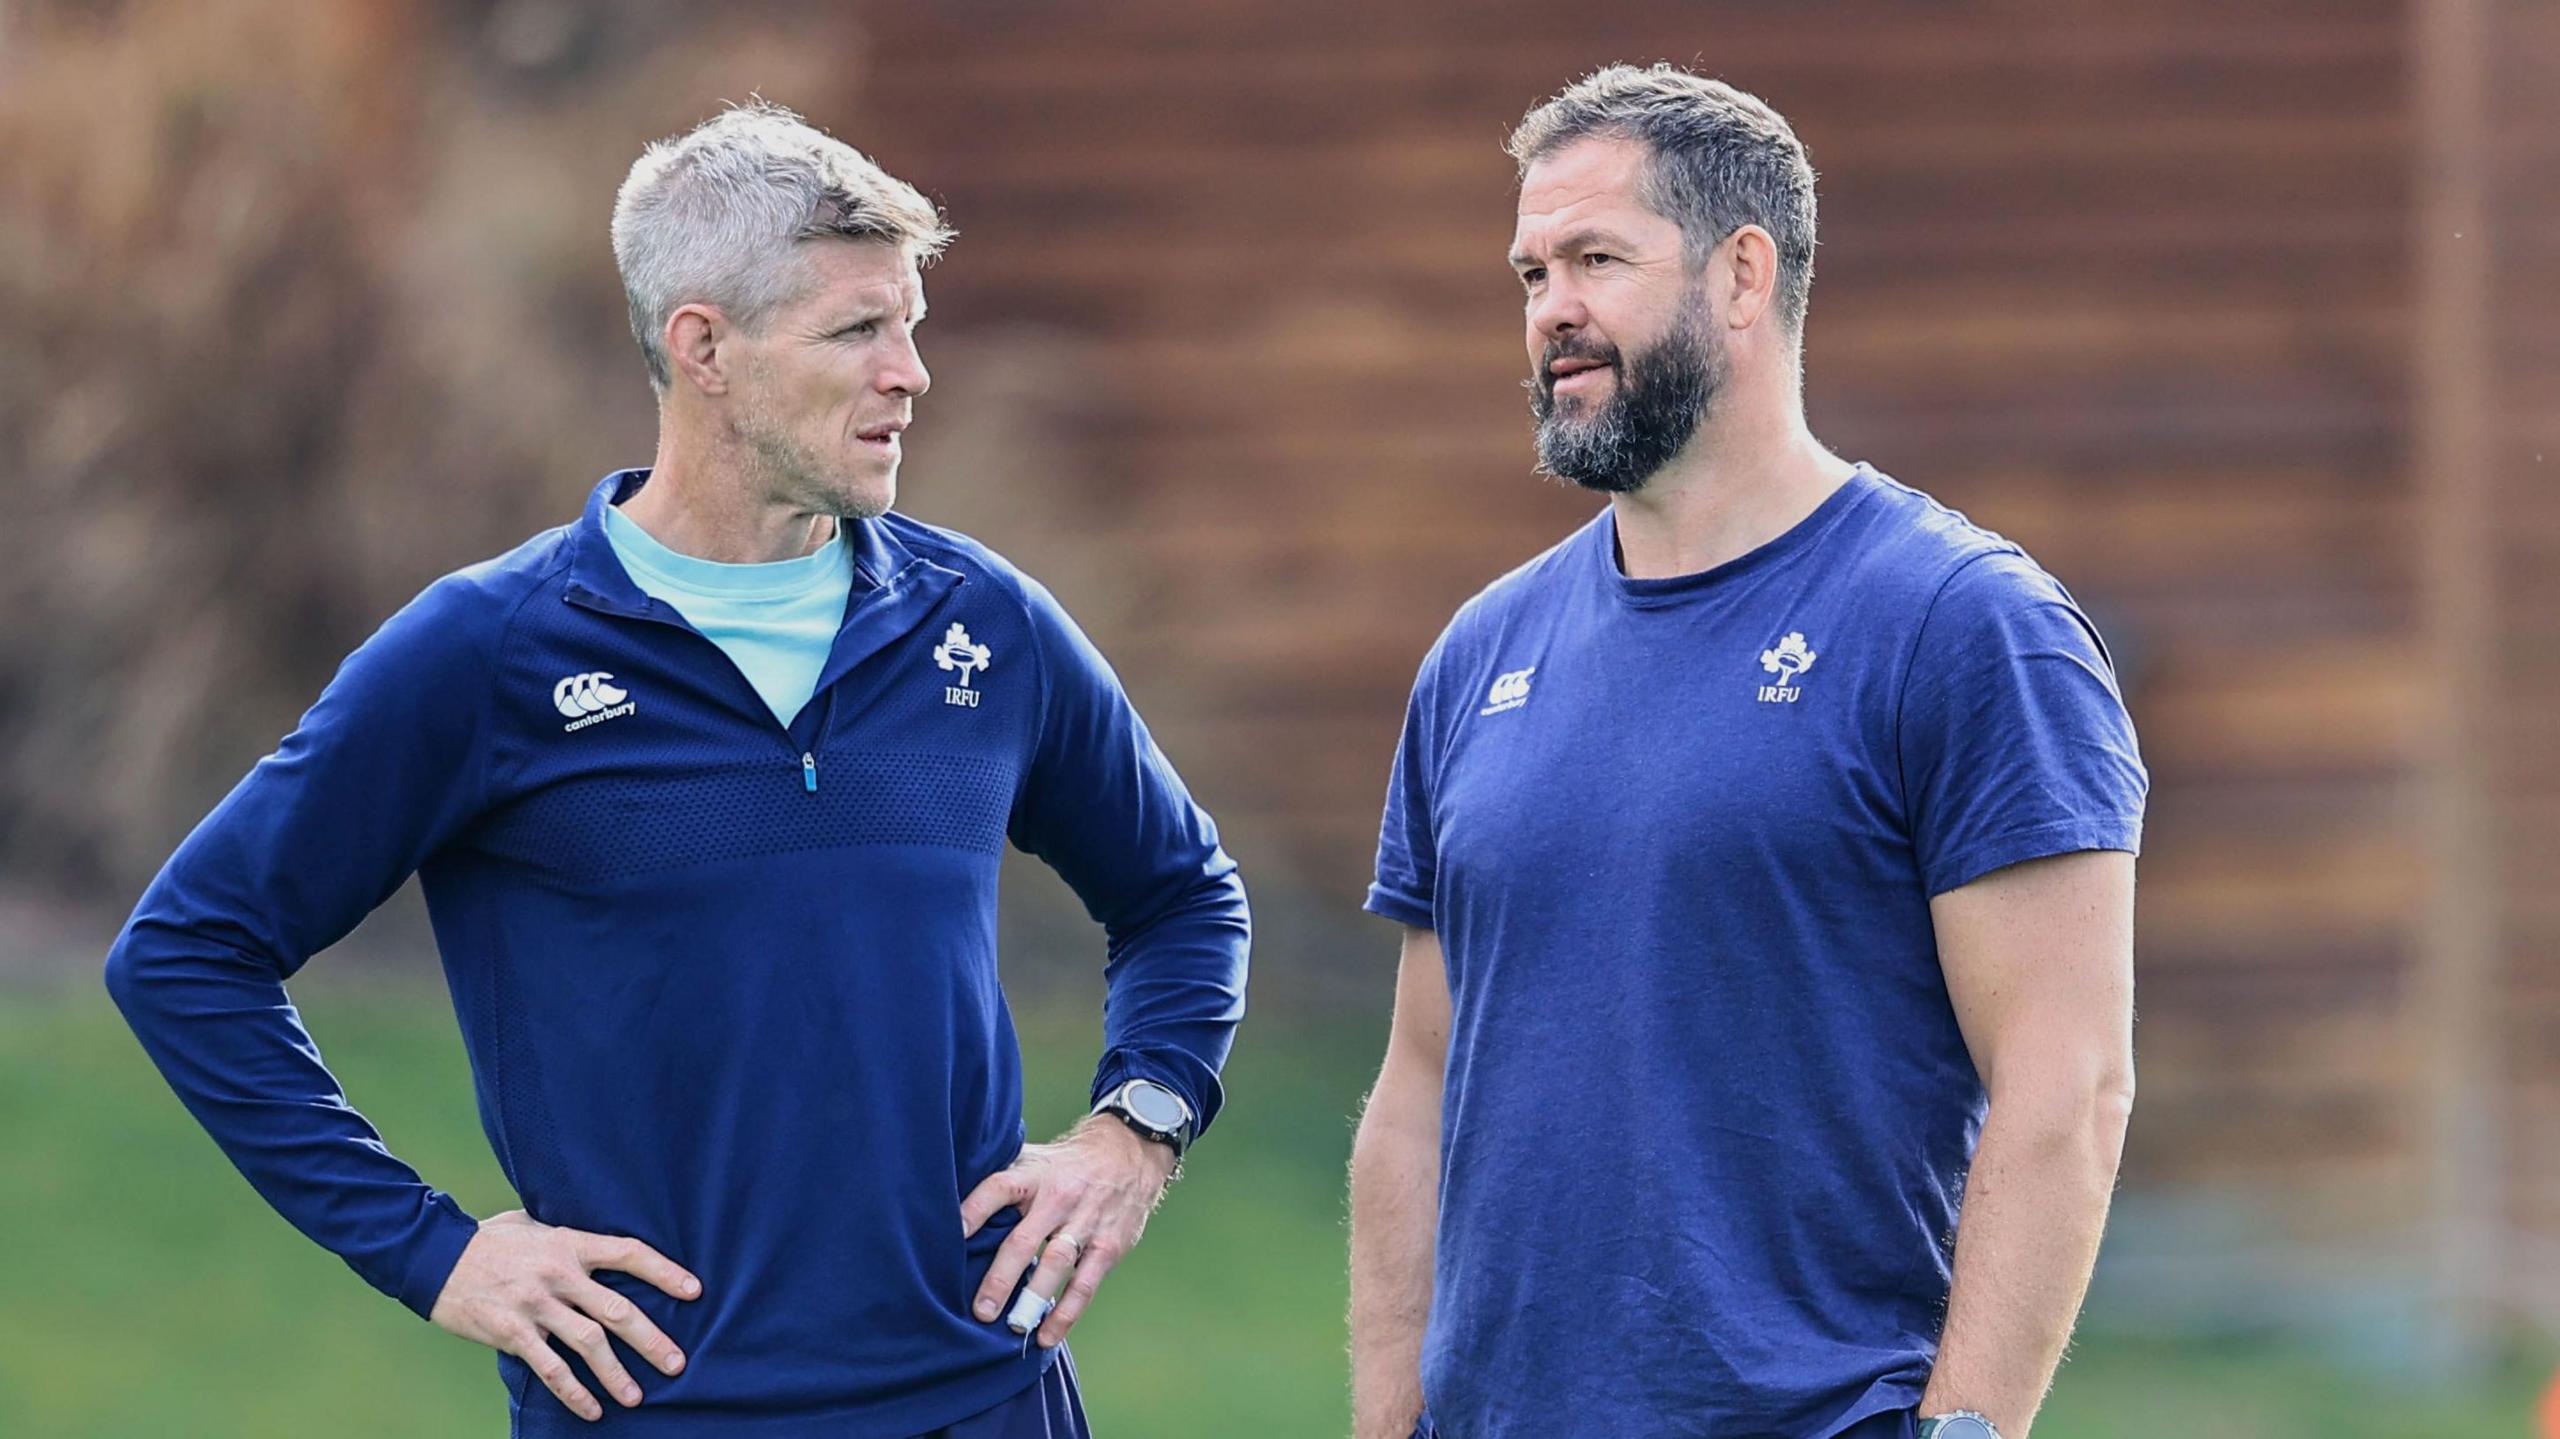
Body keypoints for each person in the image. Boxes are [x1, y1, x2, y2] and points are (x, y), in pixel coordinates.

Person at [103, 101, 1248, 1438]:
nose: (911, 373)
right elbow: (189, 952)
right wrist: (436, 1254)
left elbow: (1180, 894)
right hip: (657, 1412)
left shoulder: (983, 624)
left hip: (986, 1401)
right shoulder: (487, 653)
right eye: (857, 330)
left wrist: (1136, 1132)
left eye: (911, 324)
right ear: (703, 347)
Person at [1348, 66, 2145, 1439]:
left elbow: (2067, 1082)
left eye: (1598, 259)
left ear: (1741, 274)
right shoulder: (1477, 655)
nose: (1553, 312)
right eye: (1533, 272)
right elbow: (1418, 1085)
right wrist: (1385, 1411)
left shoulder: (1963, 627)